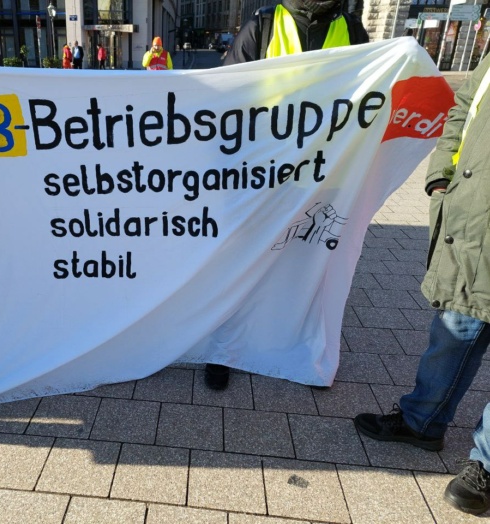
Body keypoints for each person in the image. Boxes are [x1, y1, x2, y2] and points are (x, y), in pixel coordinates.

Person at [204, 0, 369, 390]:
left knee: (310, 268)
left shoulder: (351, 29)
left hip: (325, 175)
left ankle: (303, 352)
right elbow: (228, 96)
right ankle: (222, 351)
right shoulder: (264, 25)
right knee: (242, 265)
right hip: (263, 175)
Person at [354, 53, 490, 516]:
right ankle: (422, 421)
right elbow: (465, 108)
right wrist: (440, 178)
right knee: (455, 329)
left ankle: (486, 463)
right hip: (474, 218)